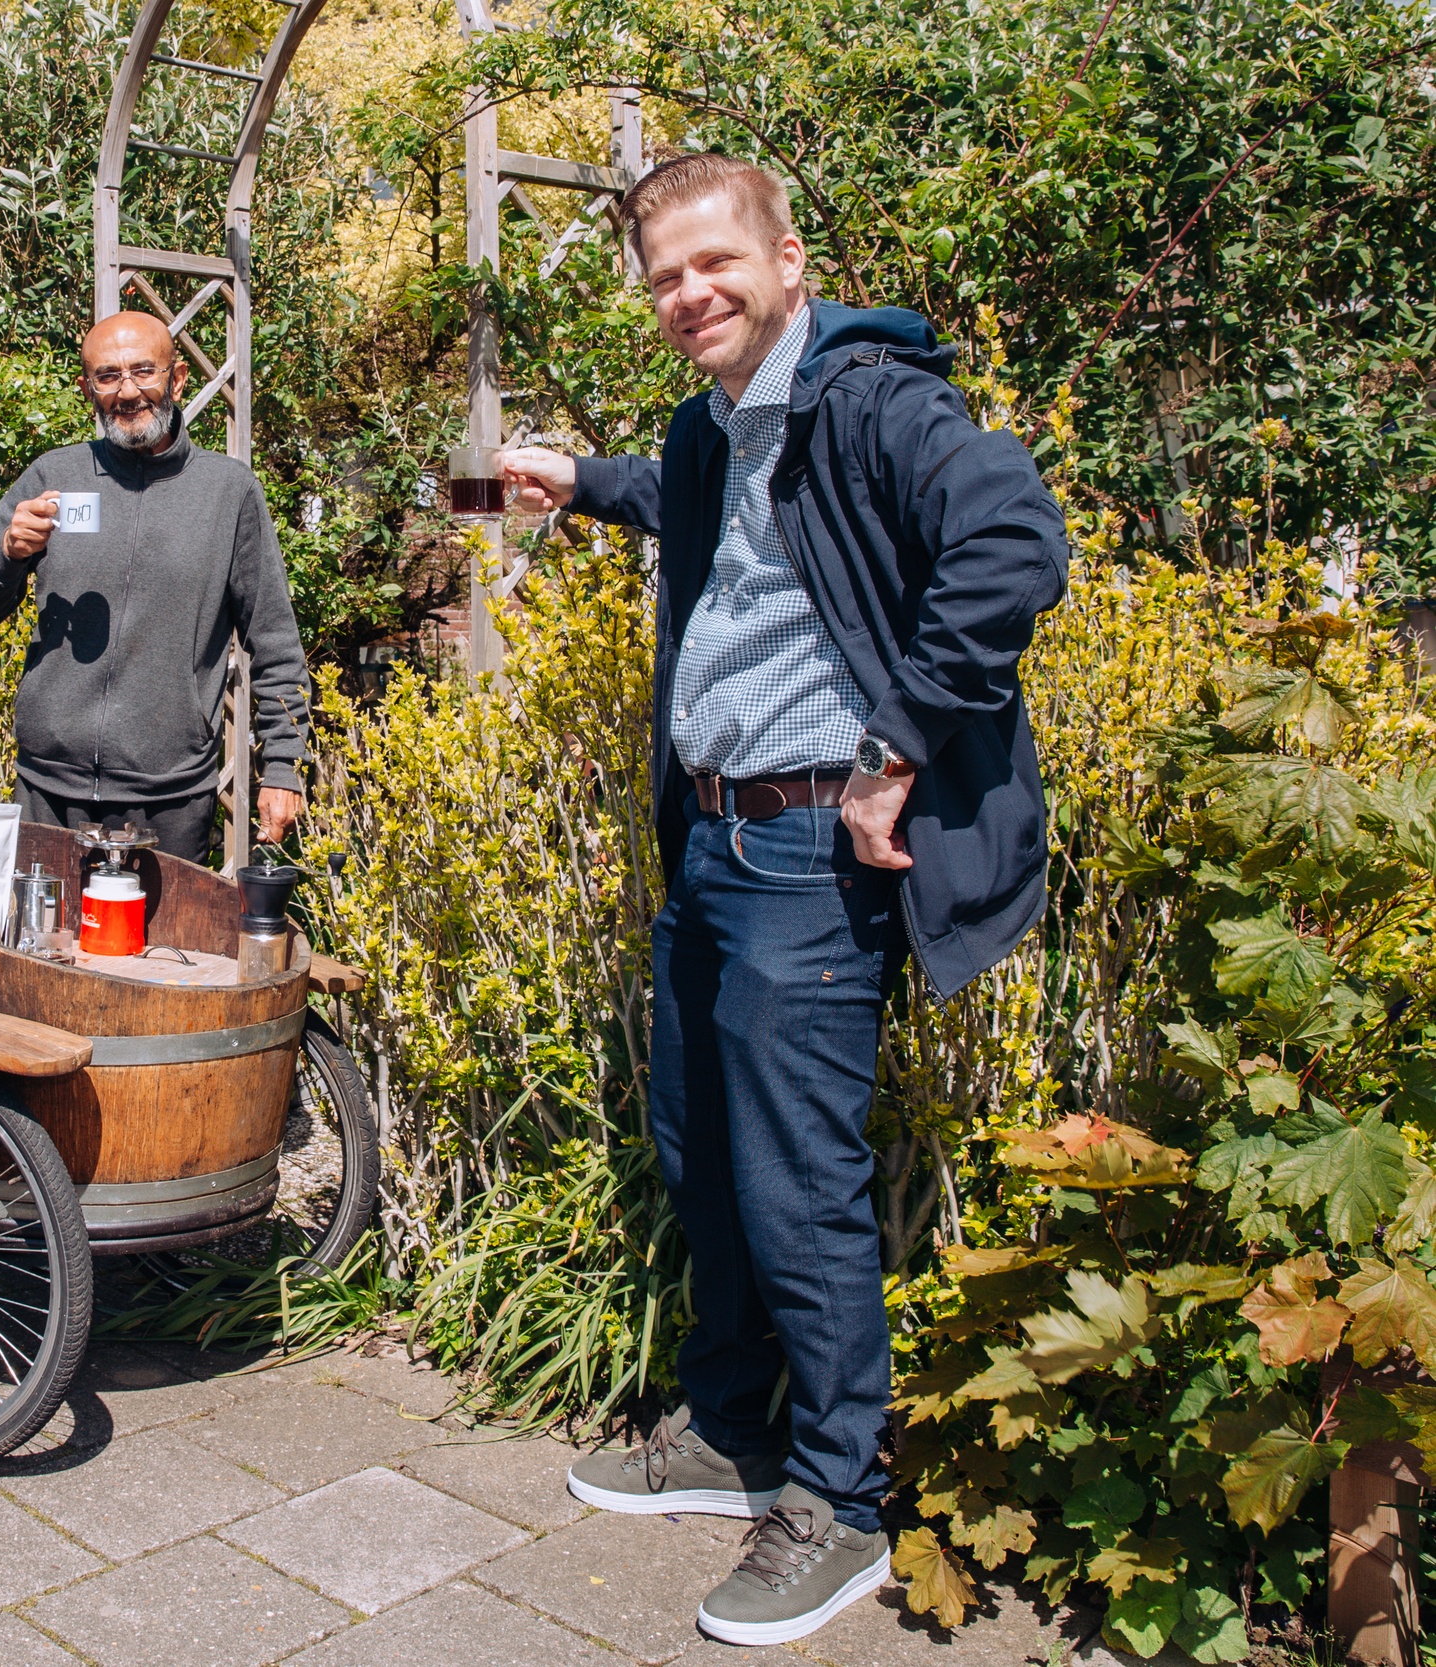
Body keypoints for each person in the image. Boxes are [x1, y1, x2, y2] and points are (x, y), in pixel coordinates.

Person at [499, 154, 1067, 1646]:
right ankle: (734, 1432)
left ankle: (839, 1501)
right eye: (666, 278)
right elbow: (698, 502)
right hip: (712, 846)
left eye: (716, 264)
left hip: (813, 854)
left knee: (796, 1182)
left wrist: (897, 752)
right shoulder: (715, 425)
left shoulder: (872, 401)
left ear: (789, 261)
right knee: (703, 1150)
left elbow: (1014, 542)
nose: (691, 294)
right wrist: (582, 482)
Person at [0, 312, 309, 864]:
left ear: (177, 379)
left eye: (144, 371)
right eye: (107, 376)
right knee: (45, 927)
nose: (127, 391)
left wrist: (283, 766)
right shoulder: (53, 477)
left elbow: (275, 641)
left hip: (170, 800)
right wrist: (7, 553)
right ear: (87, 389)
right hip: (47, 790)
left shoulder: (228, 492)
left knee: (167, 930)